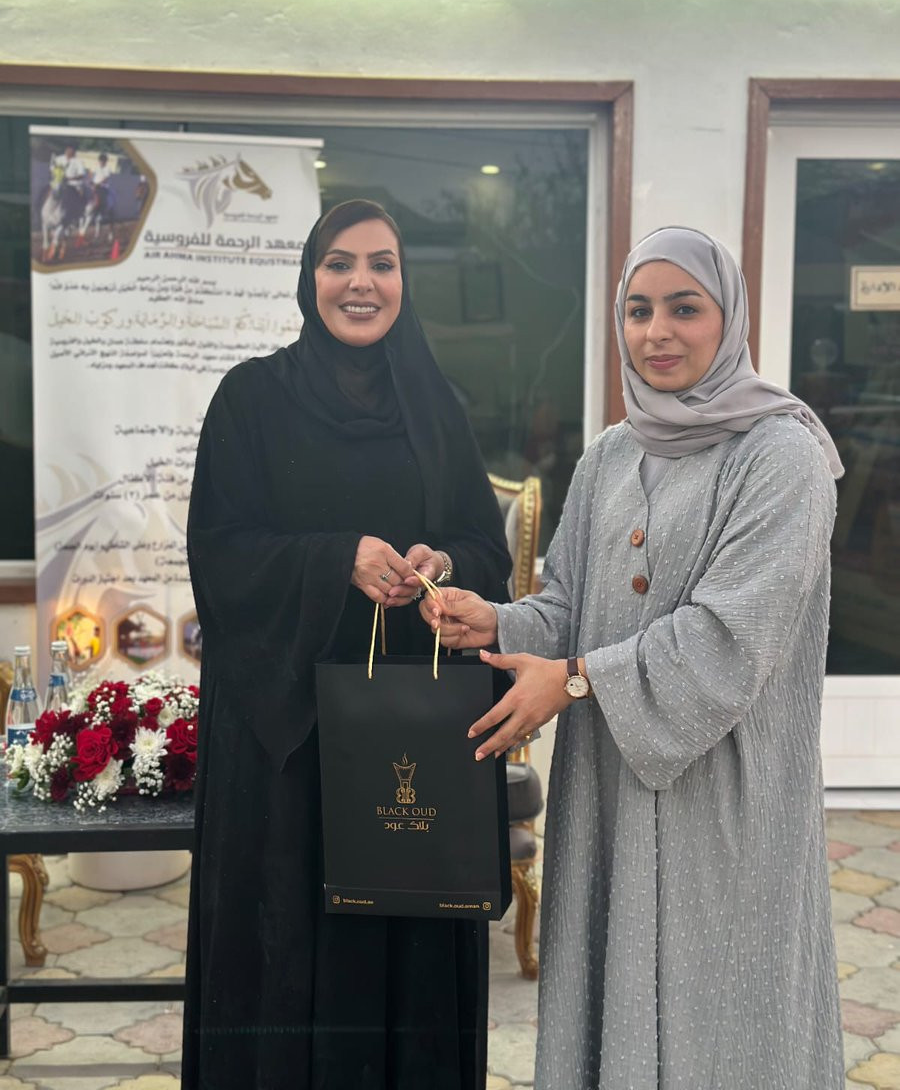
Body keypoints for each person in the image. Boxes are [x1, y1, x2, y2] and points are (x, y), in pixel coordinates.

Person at [423, 227, 845, 1090]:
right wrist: (493, 621)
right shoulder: (612, 454)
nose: (658, 332)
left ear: (729, 318)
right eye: (639, 310)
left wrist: (577, 679)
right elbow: (568, 605)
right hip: (610, 790)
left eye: (685, 308)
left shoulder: (782, 457)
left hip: (722, 800)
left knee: (719, 1009)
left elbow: (730, 637)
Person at [183, 199, 511, 1090]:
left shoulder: (436, 409)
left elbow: (486, 550)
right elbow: (219, 553)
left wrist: (443, 565)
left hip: (409, 731)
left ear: (406, 280)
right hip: (283, 753)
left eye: (382, 263)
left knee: (407, 952)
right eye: (339, 262)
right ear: (310, 278)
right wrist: (339, 560)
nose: (361, 283)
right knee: (283, 957)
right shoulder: (251, 399)